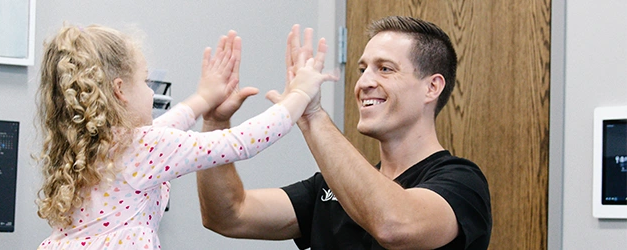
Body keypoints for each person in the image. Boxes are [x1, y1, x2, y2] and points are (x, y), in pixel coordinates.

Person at [197, 16, 492, 249]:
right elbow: (228, 215)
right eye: (363, 69)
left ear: (432, 87)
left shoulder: (462, 183)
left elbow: (393, 225)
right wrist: (214, 126)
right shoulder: (330, 187)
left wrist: (311, 114)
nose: (364, 82)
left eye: (385, 69)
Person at [34, 23, 336, 249]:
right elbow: (242, 141)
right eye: (145, 81)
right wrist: (300, 94)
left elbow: (166, 127)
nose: (151, 91)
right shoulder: (142, 147)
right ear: (119, 90)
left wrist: (205, 98)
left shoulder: (91, 151)